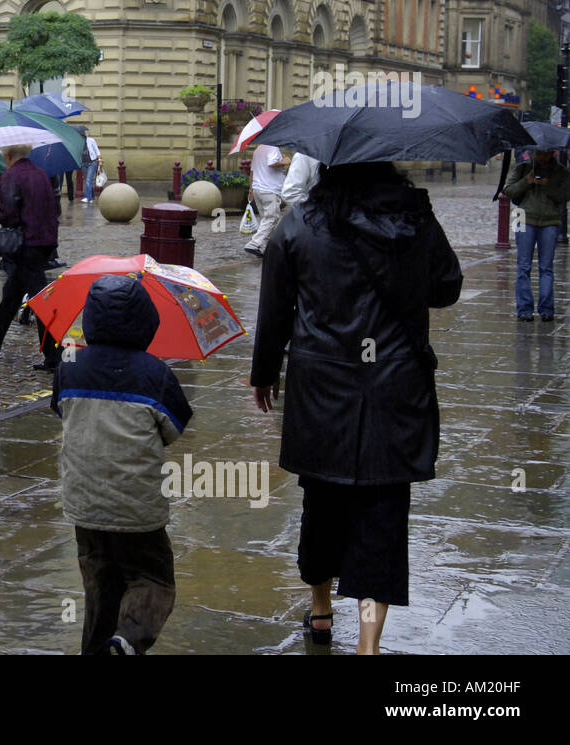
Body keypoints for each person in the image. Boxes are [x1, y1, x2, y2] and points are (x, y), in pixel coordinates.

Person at [250, 162, 462, 654]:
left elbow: (275, 306)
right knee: (383, 513)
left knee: (321, 499)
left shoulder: (299, 222)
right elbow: (446, 288)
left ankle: (321, 613)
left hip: (322, 386)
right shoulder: (416, 218)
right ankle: (368, 643)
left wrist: (264, 373)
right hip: (395, 385)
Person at [52, 275, 192, 654]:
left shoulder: (68, 366)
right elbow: (174, 429)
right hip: (137, 508)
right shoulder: (155, 374)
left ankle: (98, 647)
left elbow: (60, 411)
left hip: (85, 505)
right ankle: (128, 640)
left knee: (99, 585)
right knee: (152, 579)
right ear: (146, 320)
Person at [0, 144, 62, 370]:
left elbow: (10, 213)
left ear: (8, 155)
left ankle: (54, 355)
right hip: (44, 242)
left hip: (25, 245)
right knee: (12, 295)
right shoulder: (40, 173)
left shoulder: (11, 175)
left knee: (41, 300)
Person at [503, 149, 570, 321]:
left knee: (546, 267)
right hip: (524, 217)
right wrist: (528, 181)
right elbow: (509, 190)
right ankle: (524, 309)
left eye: (546, 154)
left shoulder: (560, 171)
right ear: (533, 153)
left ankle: (546, 309)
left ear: (552, 154)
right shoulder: (523, 168)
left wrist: (547, 185)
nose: (542, 158)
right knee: (523, 266)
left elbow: (565, 195)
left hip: (549, 221)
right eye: (539, 154)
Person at [244, 142, 289, 257]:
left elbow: (252, 172)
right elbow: (272, 163)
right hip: (269, 189)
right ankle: (254, 244)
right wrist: (285, 161)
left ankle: (271, 248)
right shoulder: (273, 147)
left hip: (258, 188)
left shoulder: (258, 149)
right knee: (271, 218)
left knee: (267, 220)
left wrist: (251, 189)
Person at [80, 128, 101, 205]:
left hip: (92, 162)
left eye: (82, 135)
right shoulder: (78, 142)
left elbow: (97, 150)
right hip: (83, 163)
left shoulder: (91, 140)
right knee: (87, 180)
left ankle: (87, 197)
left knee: (89, 180)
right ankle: (91, 197)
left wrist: (99, 160)